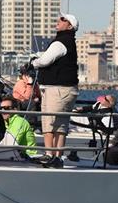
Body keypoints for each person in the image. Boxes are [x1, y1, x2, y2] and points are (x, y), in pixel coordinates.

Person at [29, 12, 80, 168]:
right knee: (61, 125)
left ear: (69, 26)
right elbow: (51, 56)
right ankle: (58, 156)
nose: (59, 21)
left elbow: (45, 60)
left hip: (56, 89)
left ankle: (49, 154)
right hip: (68, 89)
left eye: (63, 19)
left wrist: (33, 63)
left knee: (49, 123)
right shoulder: (69, 42)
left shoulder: (60, 42)